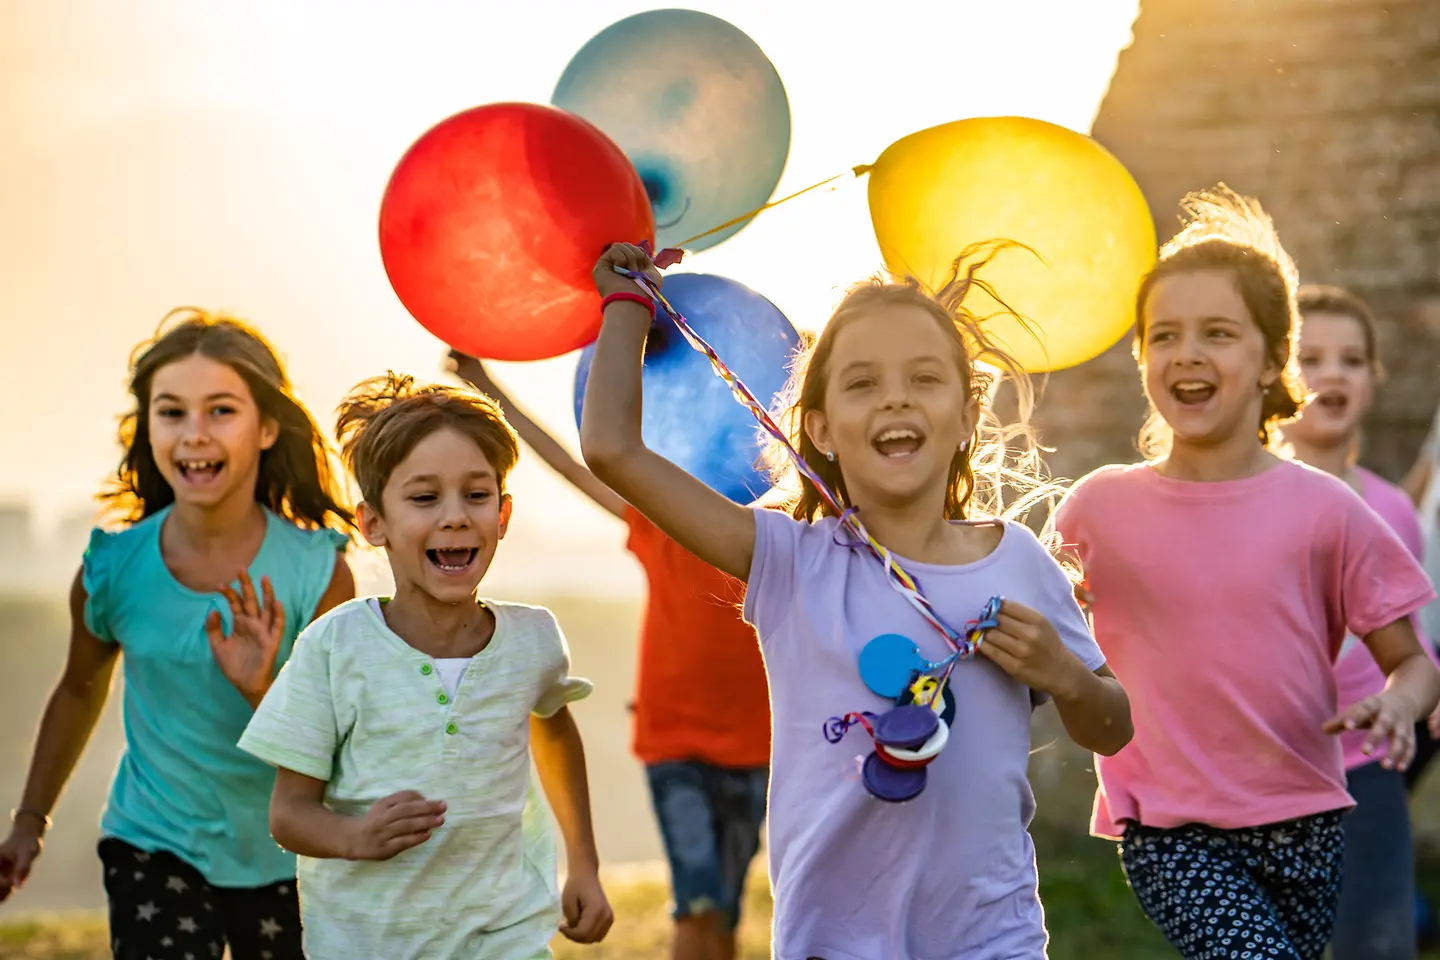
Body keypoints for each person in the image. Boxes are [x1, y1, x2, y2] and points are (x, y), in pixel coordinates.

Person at [579, 242, 1133, 959]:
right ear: (820, 431)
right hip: (830, 941)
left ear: (967, 417)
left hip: (993, 940)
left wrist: (1062, 672)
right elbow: (613, 450)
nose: (895, 399)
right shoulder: (790, 561)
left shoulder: (1017, 561)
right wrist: (628, 304)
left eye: (924, 378)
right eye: (862, 384)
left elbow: (1113, 727)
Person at [1052, 187, 1440, 960]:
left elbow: (1413, 662)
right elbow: (1044, 618)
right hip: (1167, 826)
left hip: (1308, 820)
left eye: (1218, 333)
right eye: (1164, 335)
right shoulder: (1097, 508)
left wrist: (1400, 707)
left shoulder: (1327, 511)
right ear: (1143, 361)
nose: (1186, 353)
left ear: (1271, 361)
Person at [0, 309, 355, 960]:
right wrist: (29, 823)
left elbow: (337, 743)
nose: (194, 434)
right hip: (153, 842)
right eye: (171, 412)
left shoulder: (318, 574)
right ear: (150, 429)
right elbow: (79, 692)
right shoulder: (113, 571)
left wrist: (261, 688)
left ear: (268, 427)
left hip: (288, 854)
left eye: (221, 410)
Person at [237, 373, 612, 959]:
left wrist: (583, 864)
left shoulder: (533, 640)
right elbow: (288, 814)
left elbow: (553, 727)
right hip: (366, 944)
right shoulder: (334, 646)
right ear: (373, 524)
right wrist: (357, 836)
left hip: (505, 939)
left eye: (477, 495)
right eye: (424, 497)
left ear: (504, 514)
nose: (456, 516)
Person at [448, 352, 770, 960]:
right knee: (696, 905)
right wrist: (492, 390)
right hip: (675, 741)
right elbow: (573, 465)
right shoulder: (663, 521)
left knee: (724, 910)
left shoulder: (776, 533)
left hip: (757, 744)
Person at [1281, 282, 1440, 959]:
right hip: (1263, 770)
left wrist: (1417, 700)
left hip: (1365, 771)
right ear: (1275, 377)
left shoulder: (1393, 511)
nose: (1331, 375)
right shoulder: (1238, 500)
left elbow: (1410, 643)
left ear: (1373, 381)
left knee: (1376, 943)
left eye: (1351, 360)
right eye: (1310, 358)